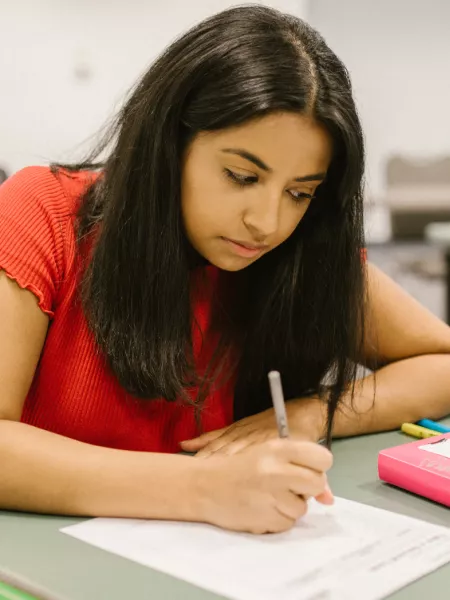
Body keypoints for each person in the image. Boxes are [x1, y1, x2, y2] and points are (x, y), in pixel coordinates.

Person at [1, 6, 449, 535]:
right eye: (241, 176)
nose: (267, 223)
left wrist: (313, 413)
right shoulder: (44, 214)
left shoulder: (302, 250)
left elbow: (440, 361)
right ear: (170, 142)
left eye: (300, 192)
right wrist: (206, 489)